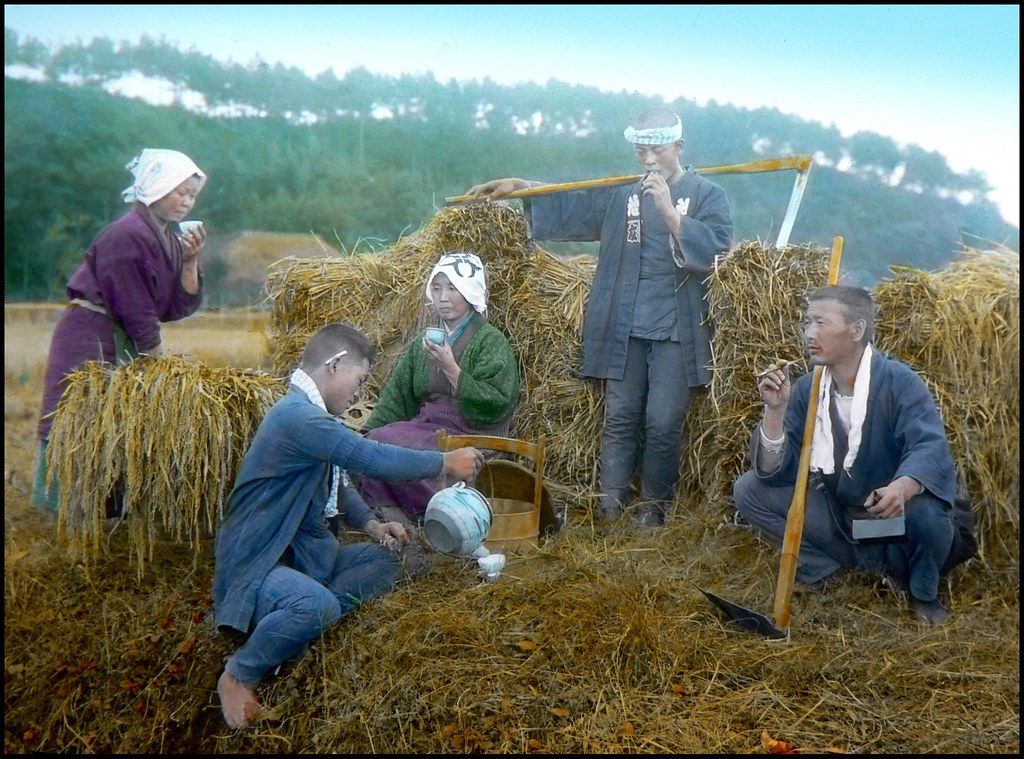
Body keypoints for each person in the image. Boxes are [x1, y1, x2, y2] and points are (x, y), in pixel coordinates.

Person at [465, 108, 733, 527]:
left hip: (676, 331)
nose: (648, 161)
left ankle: (653, 513)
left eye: (657, 150)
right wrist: (522, 188)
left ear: (679, 147)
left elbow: (717, 249)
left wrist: (669, 212)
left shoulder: (707, 195)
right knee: (620, 418)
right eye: (641, 150)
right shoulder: (620, 195)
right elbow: (575, 202)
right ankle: (610, 508)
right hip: (623, 326)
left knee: (663, 422)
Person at [213, 322, 484, 729]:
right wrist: (443, 462)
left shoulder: (310, 417)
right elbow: (367, 457)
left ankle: (295, 630)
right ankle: (239, 674)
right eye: (358, 380)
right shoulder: (297, 418)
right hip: (260, 560)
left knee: (389, 560)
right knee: (317, 605)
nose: (358, 393)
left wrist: (373, 526)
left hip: (302, 556)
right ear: (336, 365)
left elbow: (337, 484)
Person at [732, 286, 974, 626]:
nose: (809, 333)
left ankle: (923, 595)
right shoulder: (808, 390)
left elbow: (928, 448)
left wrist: (901, 488)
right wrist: (775, 411)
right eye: (806, 322)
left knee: (930, 513)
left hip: (894, 527)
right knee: (749, 490)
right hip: (845, 523)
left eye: (820, 322)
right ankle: (826, 573)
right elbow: (776, 472)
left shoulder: (899, 383)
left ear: (856, 330)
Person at [32, 148, 208, 513]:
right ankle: (57, 510)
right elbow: (135, 306)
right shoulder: (127, 235)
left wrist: (190, 263)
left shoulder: (167, 241)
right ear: (157, 187)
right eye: (181, 192)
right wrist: (156, 358)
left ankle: (106, 509)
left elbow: (172, 308)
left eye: (192, 195)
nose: (187, 202)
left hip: (122, 337)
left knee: (119, 420)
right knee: (77, 417)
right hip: (91, 336)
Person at [357, 251, 521, 524]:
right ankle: (394, 516)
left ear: (469, 291)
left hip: (472, 431)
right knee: (374, 445)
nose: (443, 297)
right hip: (429, 426)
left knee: (389, 448)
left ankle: (432, 514)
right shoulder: (424, 343)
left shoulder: (491, 341)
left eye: (452, 288)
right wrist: (367, 434)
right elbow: (398, 395)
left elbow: (498, 402)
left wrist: (452, 369)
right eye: (437, 288)